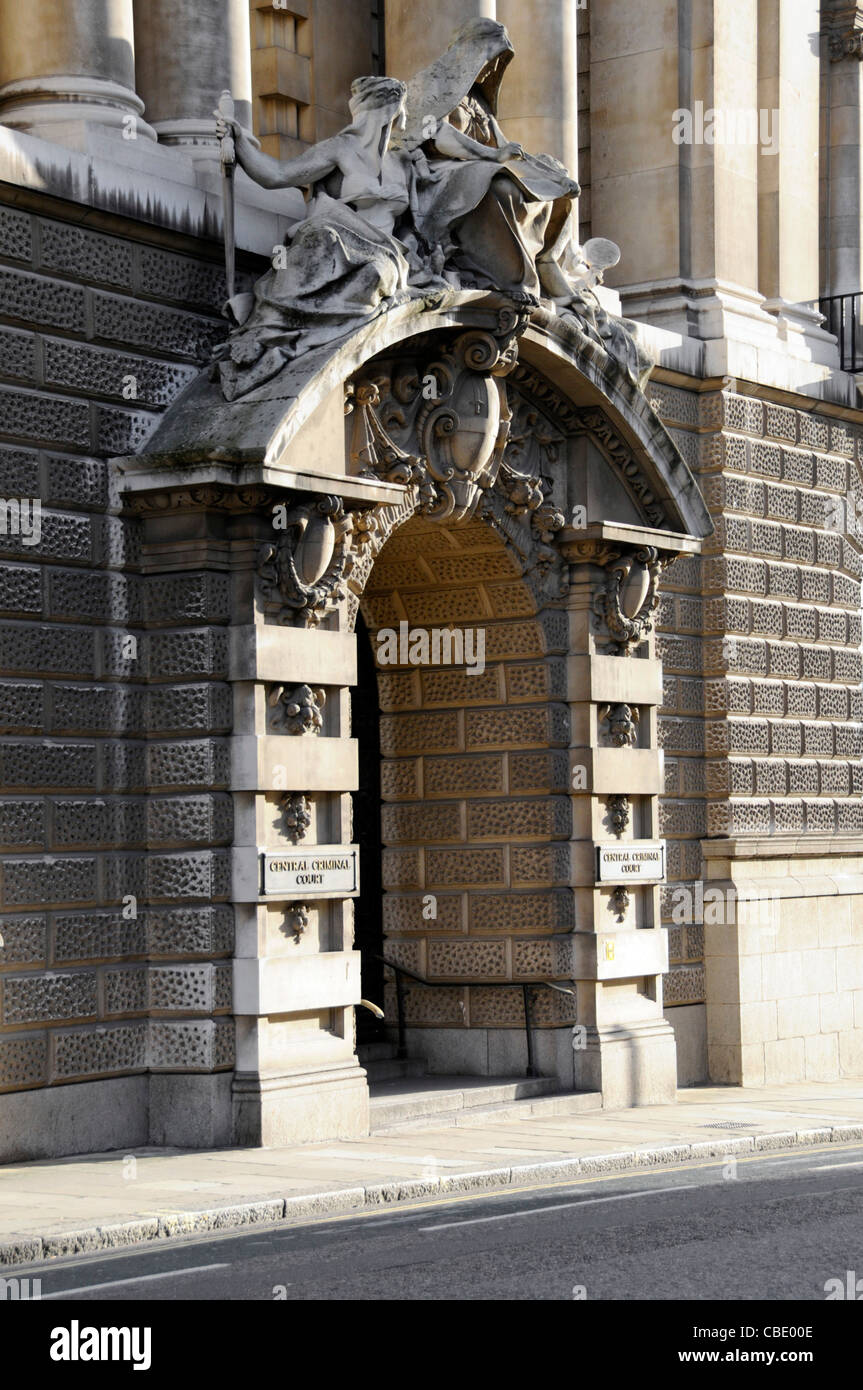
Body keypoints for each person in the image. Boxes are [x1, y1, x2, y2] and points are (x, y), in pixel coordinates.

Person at [214, 76, 415, 399]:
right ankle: (274, 330)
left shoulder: (402, 164)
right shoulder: (341, 149)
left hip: (385, 250)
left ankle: (290, 333)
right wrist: (239, 141)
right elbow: (277, 175)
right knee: (320, 238)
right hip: (341, 233)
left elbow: (414, 225)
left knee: (376, 272)